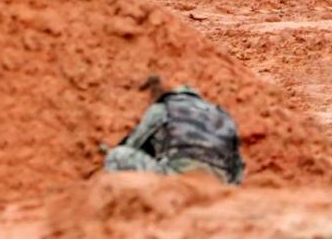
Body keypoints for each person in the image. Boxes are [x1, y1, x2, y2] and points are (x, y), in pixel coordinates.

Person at [103, 76, 245, 184]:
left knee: (117, 155)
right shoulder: (223, 116)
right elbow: (238, 172)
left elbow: (133, 144)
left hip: (178, 178)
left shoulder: (166, 107)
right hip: (218, 184)